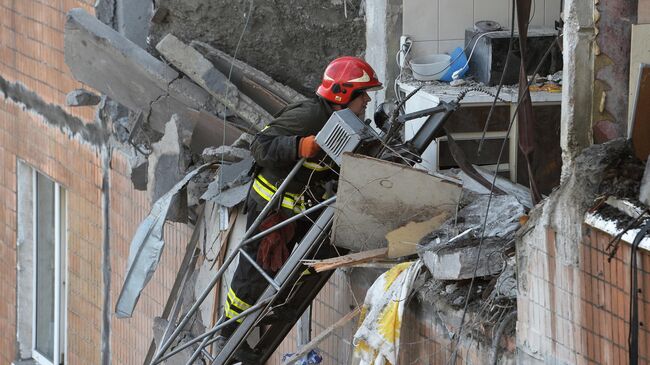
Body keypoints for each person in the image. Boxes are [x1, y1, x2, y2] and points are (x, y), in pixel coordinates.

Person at [216, 56, 382, 362]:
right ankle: (229, 335)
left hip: (301, 210)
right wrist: (298, 146)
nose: (368, 100)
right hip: (272, 208)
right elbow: (260, 145)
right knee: (255, 274)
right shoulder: (309, 116)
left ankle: (263, 321)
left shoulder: (341, 123)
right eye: (363, 94)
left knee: (313, 261)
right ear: (343, 95)